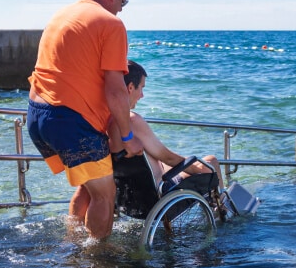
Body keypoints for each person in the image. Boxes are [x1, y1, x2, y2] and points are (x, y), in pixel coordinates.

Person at [26, 0, 143, 240]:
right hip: (70, 121)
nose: (123, 9)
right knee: (105, 194)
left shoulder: (63, 14)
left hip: (37, 115)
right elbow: (116, 91)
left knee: (87, 187)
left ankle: (73, 242)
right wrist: (127, 136)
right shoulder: (110, 23)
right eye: (123, 2)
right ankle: (96, 262)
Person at [69, 61, 225, 224]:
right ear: (130, 88)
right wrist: (194, 168)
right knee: (210, 162)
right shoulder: (131, 121)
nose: (142, 95)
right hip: (160, 193)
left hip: (131, 198)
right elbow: (168, 157)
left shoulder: (103, 123)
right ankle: (221, 211)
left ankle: (73, 232)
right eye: (141, 88)